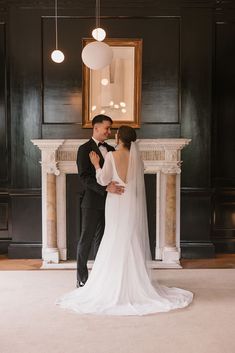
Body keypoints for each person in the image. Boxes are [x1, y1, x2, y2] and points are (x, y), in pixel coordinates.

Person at [57, 125, 193, 315]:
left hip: (116, 200)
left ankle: (112, 284)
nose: (112, 133)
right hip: (130, 200)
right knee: (129, 237)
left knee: (113, 236)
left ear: (119, 137)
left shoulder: (112, 156)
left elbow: (103, 180)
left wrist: (97, 164)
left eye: (116, 133)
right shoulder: (137, 158)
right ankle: (134, 282)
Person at [76, 114, 124, 288]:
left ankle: (100, 277)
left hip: (111, 203)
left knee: (104, 240)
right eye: (107, 128)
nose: (109, 132)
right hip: (91, 203)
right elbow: (84, 178)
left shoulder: (111, 150)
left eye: (110, 129)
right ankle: (81, 278)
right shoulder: (84, 149)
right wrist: (105, 188)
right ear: (96, 128)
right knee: (86, 239)